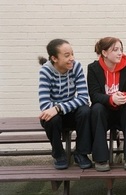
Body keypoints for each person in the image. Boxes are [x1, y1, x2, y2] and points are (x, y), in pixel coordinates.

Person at [87, 37, 126, 172]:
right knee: (96, 109)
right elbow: (94, 95)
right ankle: (101, 158)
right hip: (104, 112)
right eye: (115, 50)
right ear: (104, 53)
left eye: (121, 50)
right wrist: (111, 99)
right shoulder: (93, 68)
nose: (119, 53)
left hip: (122, 112)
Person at [38, 39, 92, 170]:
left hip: (69, 113)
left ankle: (81, 152)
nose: (72, 58)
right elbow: (45, 105)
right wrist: (56, 109)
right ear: (54, 58)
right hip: (57, 117)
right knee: (50, 118)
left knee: (85, 111)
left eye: (72, 54)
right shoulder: (45, 71)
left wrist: (58, 107)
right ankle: (59, 155)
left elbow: (84, 98)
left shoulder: (76, 67)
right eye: (67, 55)